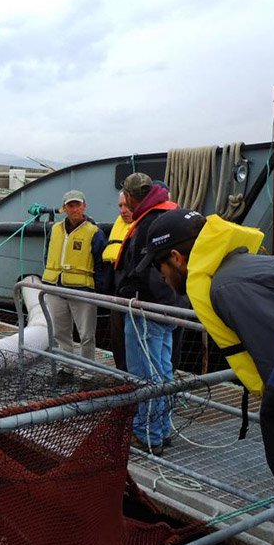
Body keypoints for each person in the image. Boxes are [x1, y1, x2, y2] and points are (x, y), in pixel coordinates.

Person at [137, 208, 274, 545]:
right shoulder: (248, 269)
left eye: (159, 266)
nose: (161, 276)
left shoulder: (230, 287)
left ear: (176, 258)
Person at [114, 172, 178, 456]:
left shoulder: (148, 223)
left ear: (129, 196)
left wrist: (126, 294)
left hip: (145, 309)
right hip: (169, 306)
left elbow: (141, 270)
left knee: (145, 373)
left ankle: (147, 434)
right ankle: (162, 429)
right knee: (163, 370)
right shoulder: (167, 215)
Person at [42, 190, 107, 361]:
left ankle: (87, 369)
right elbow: (47, 255)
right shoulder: (55, 230)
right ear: (64, 209)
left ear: (84, 206)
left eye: (78, 205)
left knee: (86, 335)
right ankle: (66, 367)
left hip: (82, 291)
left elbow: (101, 264)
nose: (75, 209)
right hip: (55, 288)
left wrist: (99, 291)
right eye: (70, 206)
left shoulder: (95, 233)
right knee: (60, 333)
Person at [101, 191, 133, 371]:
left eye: (127, 205)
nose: (123, 210)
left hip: (136, 297)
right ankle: (122, 375)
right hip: (117, 293)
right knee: (118, 339)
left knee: (136, 340)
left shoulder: (144, 227)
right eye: (120, 206)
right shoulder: (119, 225)